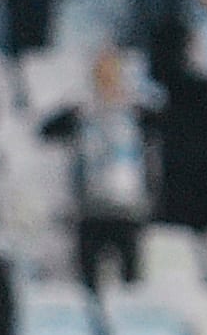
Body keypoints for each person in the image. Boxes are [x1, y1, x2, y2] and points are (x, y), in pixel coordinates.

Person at [42, 50, 159, 291]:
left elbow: (163, 125)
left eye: (112, 73)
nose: (107, 80)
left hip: (128, 208)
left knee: (131, 284)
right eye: (102, 74)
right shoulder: (84, 110)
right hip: (90, 208)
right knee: (88, 283)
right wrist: (76, 111)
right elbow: (46, 131)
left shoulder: (136, 110)